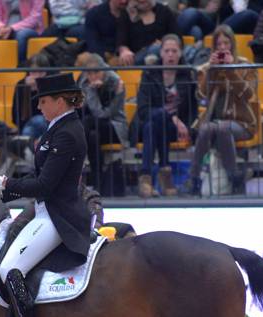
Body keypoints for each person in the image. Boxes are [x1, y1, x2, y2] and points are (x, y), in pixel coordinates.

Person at [0, 73, 91, 317]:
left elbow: (45, 185)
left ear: (59, 101)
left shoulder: (67, 133)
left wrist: (6, 185)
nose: (40, 107)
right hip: (46, 211)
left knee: (10, 268)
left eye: (43, 101)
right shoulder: (57, 128)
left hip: (60, 216)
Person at [179, 25, 257, 196]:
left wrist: (231, 71)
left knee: (222, 127)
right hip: (215, 122)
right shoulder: (208, 68)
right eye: (218, 44)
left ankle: (233, 177)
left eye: (226, 43)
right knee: (207, 128)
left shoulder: (245, 65)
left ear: (232, 45)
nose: (222, 47)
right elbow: (200, 95)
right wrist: (211, 72)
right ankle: (194, 180)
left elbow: (248, 94)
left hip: (242, 122)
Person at [135, 34, 196, 198]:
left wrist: (189, 128)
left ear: (180, 53)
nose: (170, 55)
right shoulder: (149, 74)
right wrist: (173, 118)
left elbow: (192, 108)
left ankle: (146, 178)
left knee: (155, 125)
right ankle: (165, 176)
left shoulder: (187, 75)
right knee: (153, 124)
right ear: (161, 53)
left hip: (175, 130)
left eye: (174, 51)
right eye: (167, 51)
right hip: (151, 124)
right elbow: (143, 110)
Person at [76, 52, 127, 192]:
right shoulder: (83, 81)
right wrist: (90, 88)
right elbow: (76, 107)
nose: (93, 77)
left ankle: (76, 156)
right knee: (92, 136)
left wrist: (91, 91)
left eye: (96, 72)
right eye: (89, 73)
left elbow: (103, 114)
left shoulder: (116, 82)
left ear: (104, 69)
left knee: (89, 121)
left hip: (114, 126)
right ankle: (97, 182)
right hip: (93, 129)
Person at [0, 0, 44, 64]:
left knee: (22, 35)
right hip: (5, 29)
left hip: (30, 29)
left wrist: (12, 28)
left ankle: (21, 66)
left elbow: (34, 18)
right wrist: (1, 27)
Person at [116, 0, 178, 66]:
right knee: (156, 48)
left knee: (188, 49)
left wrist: (165, 43)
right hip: (138, 56)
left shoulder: (163, 11)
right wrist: (124, 51)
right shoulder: (126, 14)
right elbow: (121, 41)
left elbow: (176, 36)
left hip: (165, 52)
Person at [11, 52, 49, 140]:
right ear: (28, 71)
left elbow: (51, 111)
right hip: (26, 125)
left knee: (39, 120)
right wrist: (30, 91)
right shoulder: (21, 85)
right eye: (34, 71)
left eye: (41, 72)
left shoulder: (50, 84)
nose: (37, 75)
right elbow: (15, 115)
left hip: (49, 123)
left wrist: (39, 90)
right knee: (30, 129)